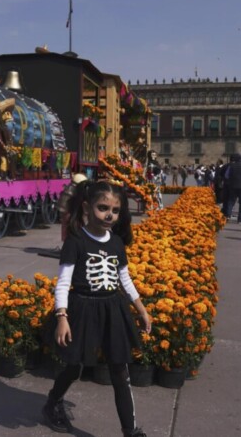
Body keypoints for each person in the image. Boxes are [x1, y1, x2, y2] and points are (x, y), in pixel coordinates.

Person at [44, 180, 151, 436]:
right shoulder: (76, 241)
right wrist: (62, 316)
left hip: (113, 309)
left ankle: (130, 430)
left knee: (119, 370)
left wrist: (140, 307)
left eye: (115, 210)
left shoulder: (115, 242)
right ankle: (52, 402)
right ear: (86, 207)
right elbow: (63, 282)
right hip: (82, 308)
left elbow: (124, 278)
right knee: (74, 366)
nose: (109, 215)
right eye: (103, 208)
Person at [223, 152, 241, 223]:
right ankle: (240, 219)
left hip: (232, 186)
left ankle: (228, 216)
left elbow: (226, 176)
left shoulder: (231, 166)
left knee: (231, 201)